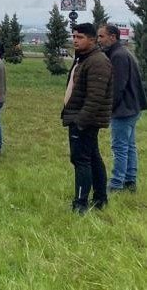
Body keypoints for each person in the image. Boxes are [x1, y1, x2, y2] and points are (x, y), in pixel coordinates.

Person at [62, 23, 113, 214]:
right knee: (92, 157)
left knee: (81, 160)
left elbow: (95, 97)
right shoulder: (83, 58)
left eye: (80, 37)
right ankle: (100, 198)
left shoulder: (97, 61)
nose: (75, 40)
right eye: (74, 36)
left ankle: (80, 203)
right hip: (80, 117)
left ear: (92, 39)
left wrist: (80, 123)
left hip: (85, 121)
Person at [98, 24, 147, 192]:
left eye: (101, 36)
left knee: (119, 148)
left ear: (112, 37)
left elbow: (117, 86)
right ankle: (130, 181)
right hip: (133, 107)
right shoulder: (122, 52)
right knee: (129, 146)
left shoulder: (118, 56)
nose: (99, 40)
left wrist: (108, 108)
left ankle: (116, 184)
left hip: (124, 109)